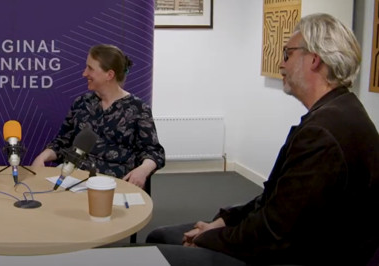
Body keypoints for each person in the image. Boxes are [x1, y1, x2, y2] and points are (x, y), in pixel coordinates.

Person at [145, 13, 379, 266]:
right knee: (160, 236)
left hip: (297, 256)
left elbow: (274, 233)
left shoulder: (323, 133)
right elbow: (275, 200)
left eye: (287, 54)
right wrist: (225, 220)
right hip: (294, 242)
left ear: (314, 60)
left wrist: (209, 237)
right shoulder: (342, 111)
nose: (281, 64)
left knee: (152, 254)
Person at [31, 44, 165, 190]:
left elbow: (153, 152)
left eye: (90, 68)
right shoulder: (82, 103)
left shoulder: (138, 109)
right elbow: (63, 142)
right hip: (74, 180)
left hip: (116, 185)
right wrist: (42, 157)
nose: (84, 73)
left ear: (109, 75)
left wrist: (143, 170)